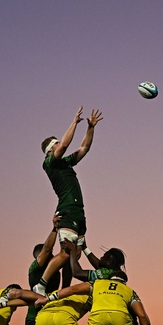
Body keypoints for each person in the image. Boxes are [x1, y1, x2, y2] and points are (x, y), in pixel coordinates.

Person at [34, 106, 103, 296]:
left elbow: (84, 148)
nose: (60, 145)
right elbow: (64, 145)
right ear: (50, 150)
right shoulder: (49, 163)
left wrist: (90, 128)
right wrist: (74, 122)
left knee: (75, 255)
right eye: (55, 143)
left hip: (79, 212)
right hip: (67, 209)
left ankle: (64, 288)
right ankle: (40, 285)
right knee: (65, 252)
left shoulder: (65, 163)